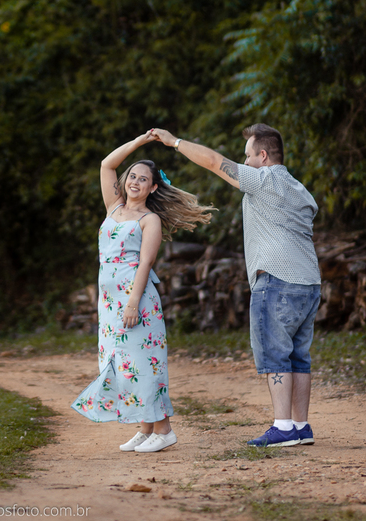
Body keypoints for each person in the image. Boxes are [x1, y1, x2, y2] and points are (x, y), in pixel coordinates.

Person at [148, 124, 321, 448]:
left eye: (247, 156)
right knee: (299, 357)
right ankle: (301, 426)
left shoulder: (265, 179)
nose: (244, 162)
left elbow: (215, 162)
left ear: (263, 156)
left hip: (277, 280)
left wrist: (175, 142)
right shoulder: (300, 189)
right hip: (309, 283)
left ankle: (283, 427)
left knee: (275, 354)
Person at [72, 132, 214, 453]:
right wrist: (139, 143)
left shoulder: (149, 221)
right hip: (110, 304)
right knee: (122, 364)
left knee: (143, 364)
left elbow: (145, 263)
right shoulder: (113, 207)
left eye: (143, 179)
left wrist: (133, 303)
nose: (135, 182)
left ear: (153, 188)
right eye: (132, 176)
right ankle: (145, 427)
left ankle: (164, 430)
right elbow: (107, 164)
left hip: (136, 302)